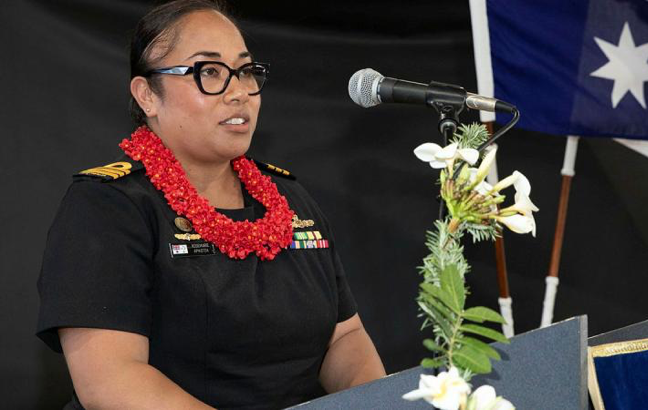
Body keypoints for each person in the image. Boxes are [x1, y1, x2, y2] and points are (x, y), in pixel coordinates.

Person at [35, 1, 386, 408]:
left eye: (246, 71)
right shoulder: (107, 205)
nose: (239, 92)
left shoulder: (291, 199)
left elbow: (344, 338)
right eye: (210, 72)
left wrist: (375, 403)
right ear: (147, 94)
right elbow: (111, 381)